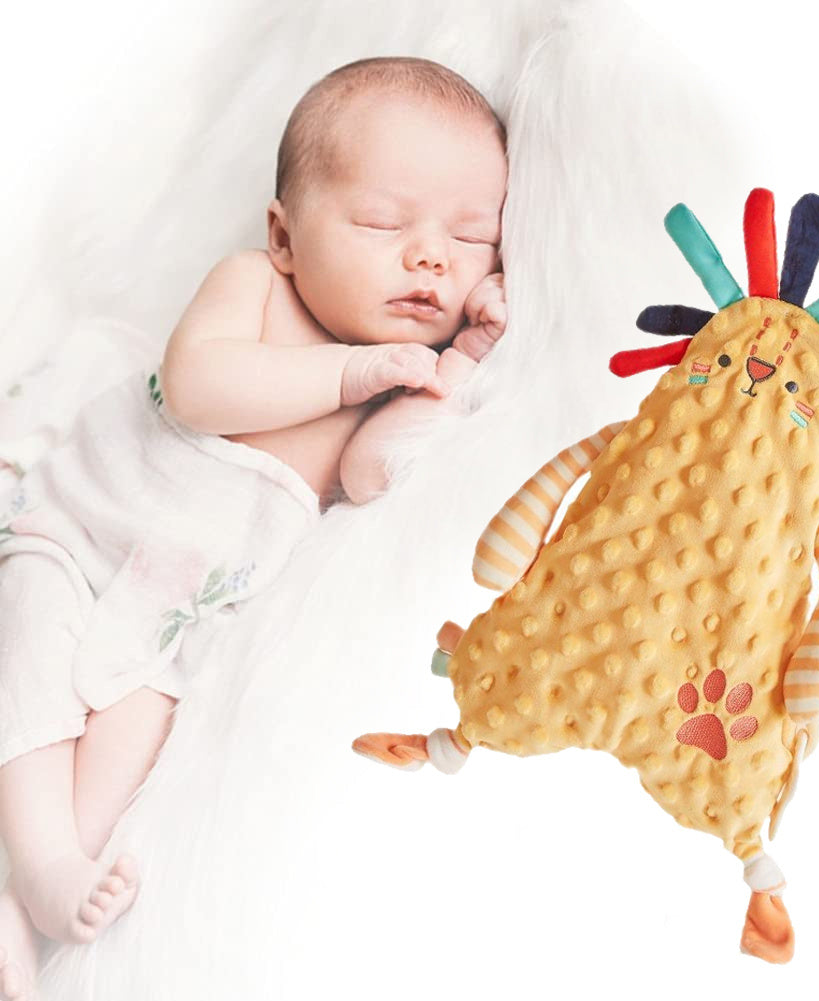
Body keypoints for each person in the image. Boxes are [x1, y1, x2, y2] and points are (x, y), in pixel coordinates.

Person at [0, 55, 508, 1000]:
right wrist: (353, 374)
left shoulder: (398, 375)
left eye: (472, 237)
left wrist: (465, 365)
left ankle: (44, 881)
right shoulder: (255, 290)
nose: (431, 255)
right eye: (383, 222)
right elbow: (200, 387)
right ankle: (31, 858)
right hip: (74, 530)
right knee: (25, 655)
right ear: (283, 235)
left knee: (132, 726)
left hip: (174, 613)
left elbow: (371, 472)